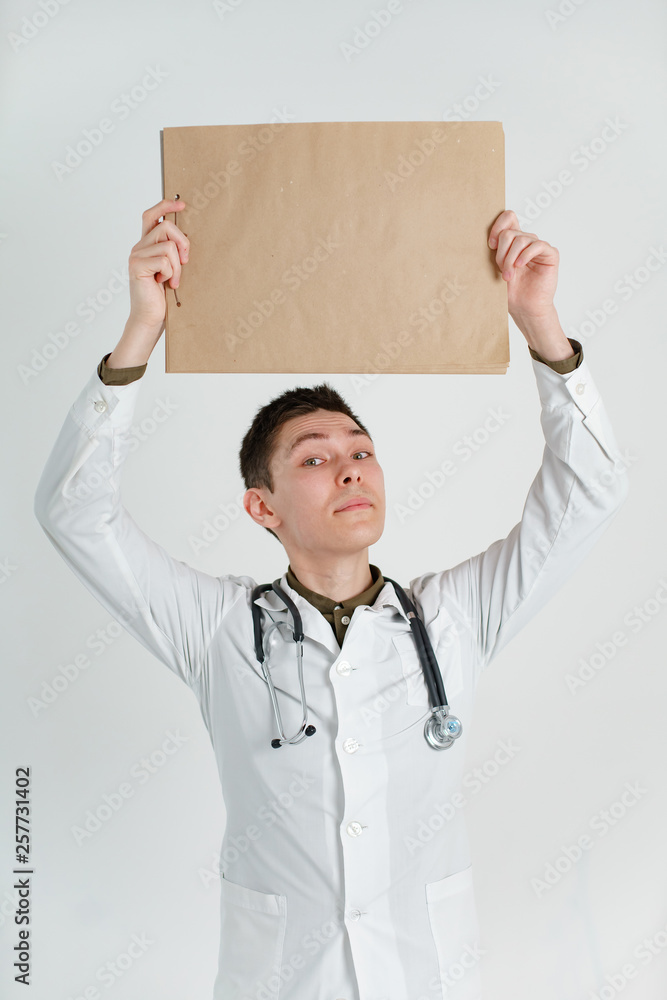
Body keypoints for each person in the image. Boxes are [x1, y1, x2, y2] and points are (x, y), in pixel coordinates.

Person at [34, 199, 629, 1000]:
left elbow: (588, 493)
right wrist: (142, 328)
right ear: (262, 507)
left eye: (361, 451)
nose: (349, 468)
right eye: (313, 459)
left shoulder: (453, 618)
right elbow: (74, 511)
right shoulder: (216, 630)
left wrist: (539, 324)